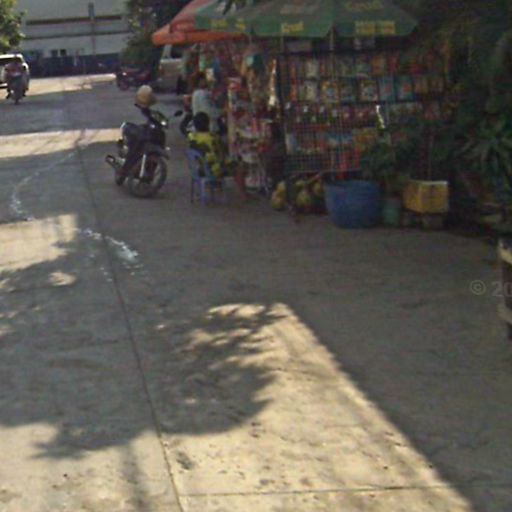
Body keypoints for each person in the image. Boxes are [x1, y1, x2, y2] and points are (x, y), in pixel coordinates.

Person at [188, 112, 247, 198]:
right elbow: (221, 154)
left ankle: (218, 188)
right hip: (212, 170)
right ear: (208, 124)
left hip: (198, 170)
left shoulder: (192, 137)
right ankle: (243, 194)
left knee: (217, 163)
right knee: (238, 166)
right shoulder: (213, 138)